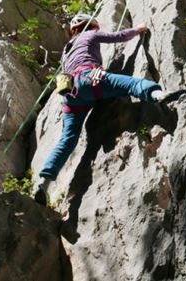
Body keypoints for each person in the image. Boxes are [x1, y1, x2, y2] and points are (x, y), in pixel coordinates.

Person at [34, 13, 162, 205]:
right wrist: (137, 30)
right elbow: (117, 37)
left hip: (71, 97)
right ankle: (157, 95)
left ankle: (44, 184)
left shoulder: (66, 51)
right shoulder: (89, 35)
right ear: (91, 26)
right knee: (129, 84)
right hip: (88, 79)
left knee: (67, 139)